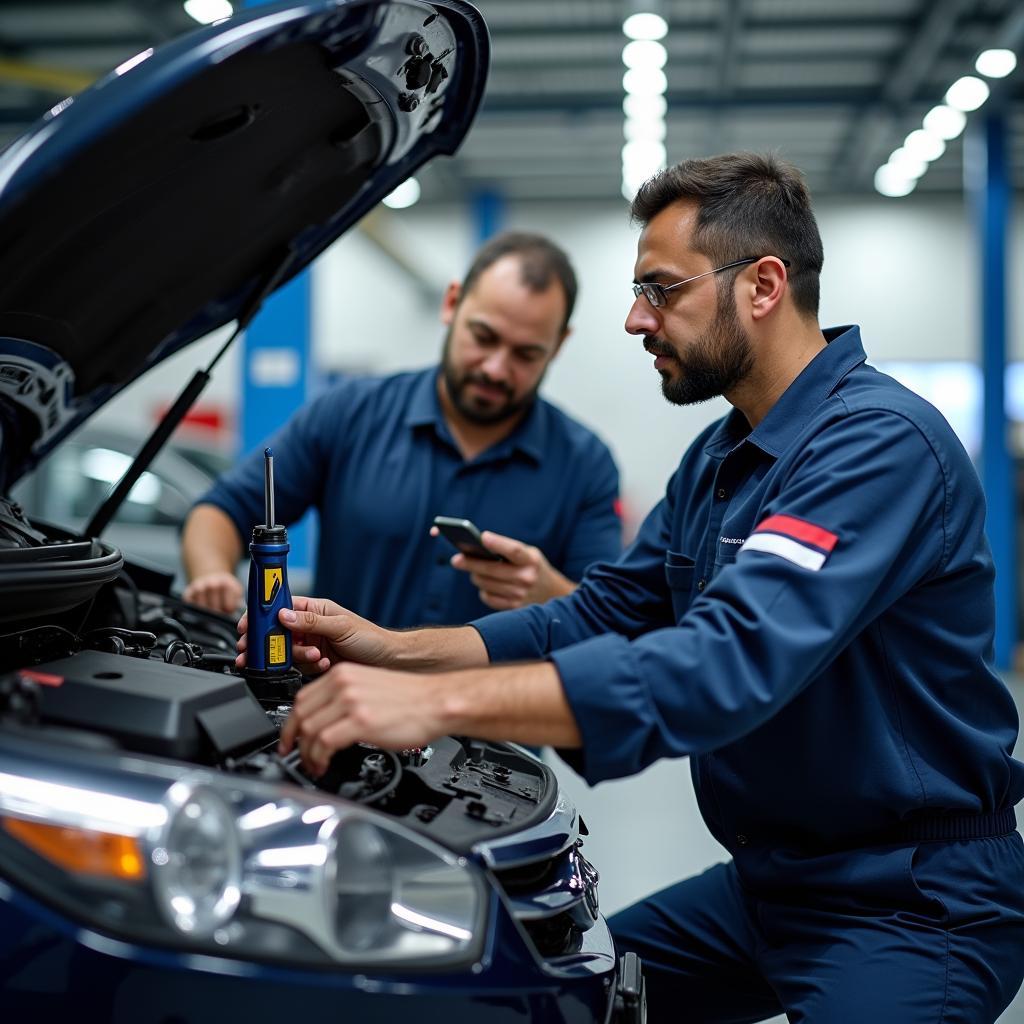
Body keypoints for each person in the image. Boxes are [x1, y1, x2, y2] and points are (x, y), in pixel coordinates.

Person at [239, 153, 1024, 1022]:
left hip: (910, 902)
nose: (633, 319)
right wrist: (392, 651)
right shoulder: (720, 458)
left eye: (661, 289)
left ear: (762, 285)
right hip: (770, 883)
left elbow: (723, 664)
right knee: (552, 998)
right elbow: (601, 611)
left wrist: (433, 704)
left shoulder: (879, 447)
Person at [182, 231, 622, 626]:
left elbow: (607, 616)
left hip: (495, 714)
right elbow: (222, 511)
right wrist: (213, 576)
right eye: (484, 337)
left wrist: (553, 594)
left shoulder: (585, 465)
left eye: (526, 354)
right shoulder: (351, 413)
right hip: (339, 704)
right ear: (452, 303)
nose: (496, 369)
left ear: (559, 344)